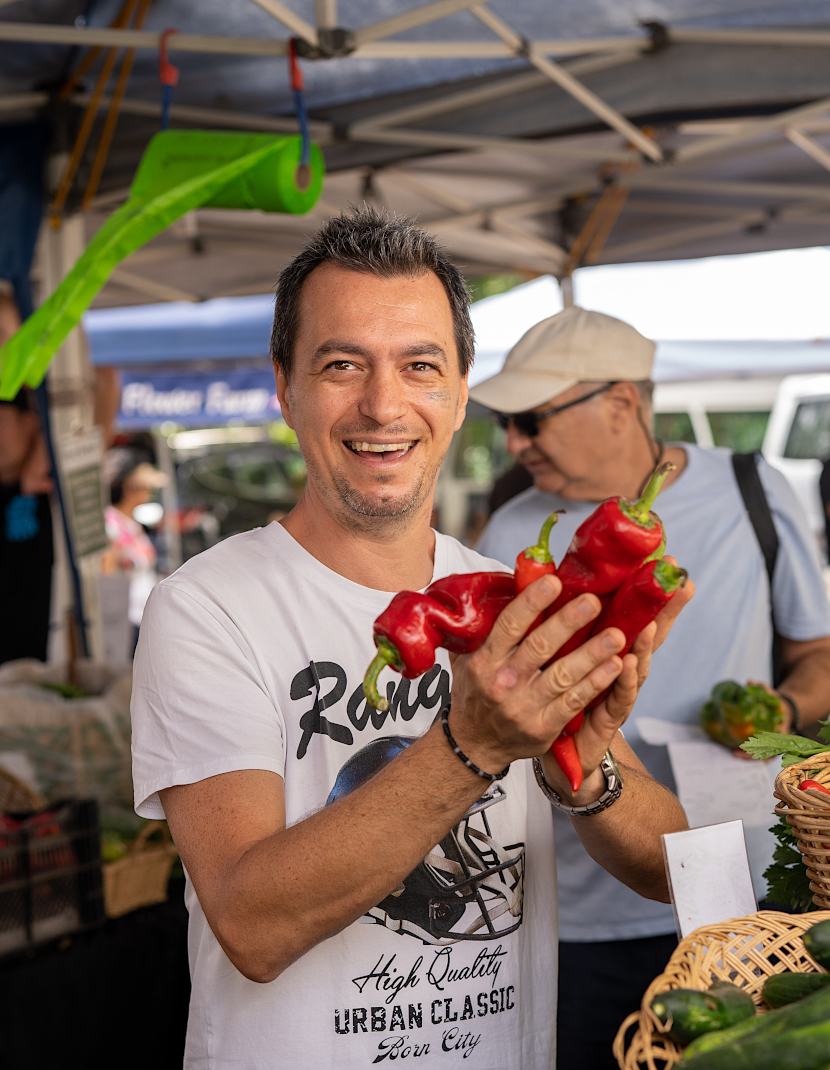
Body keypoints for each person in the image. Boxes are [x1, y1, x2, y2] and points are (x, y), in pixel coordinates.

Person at [129, 209, 691, 1070]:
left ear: (462, 393)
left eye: (419, 366)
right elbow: (251, 924)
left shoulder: (513, 593)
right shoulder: (205, 608)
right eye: (341, 364)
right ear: (285, 388)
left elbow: (664, 868)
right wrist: (473, 746)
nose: (383, 404)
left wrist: (587, 756)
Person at [472, 306, 830, 1070]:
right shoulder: (508, 534)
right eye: (508, 422)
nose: (514, 442)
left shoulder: (752, 489)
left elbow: (821, 652)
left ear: (623, 403)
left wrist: (779, 715)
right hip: (581, 907)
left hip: (749, 891)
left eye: (532, 418)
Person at [0, 385, 54, 665]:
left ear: (30, 422)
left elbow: (106, 381)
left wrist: (43, 451)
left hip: (45, 663)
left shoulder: (50, 485)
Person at [103, 459, 167, 643]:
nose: (149, 493)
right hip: (126, 617)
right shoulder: (111, 523)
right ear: (128, 489)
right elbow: (107, 571)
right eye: (144, 488)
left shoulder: (132, 523)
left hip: (142, 615)